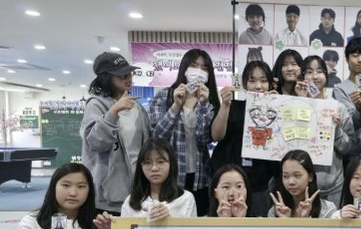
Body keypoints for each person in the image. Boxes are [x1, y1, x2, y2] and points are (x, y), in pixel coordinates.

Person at [149, 49, 219, 216]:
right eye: (194, 65)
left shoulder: (209, 100)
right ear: (184, 68)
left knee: (198, 221)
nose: (199, 71)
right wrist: (176, 106)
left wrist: (203, 105)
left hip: (200, 176)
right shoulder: (164, 96)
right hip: (171, 176)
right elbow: (158, 137)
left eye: (204, 68)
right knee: (171, 221)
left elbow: (204, 138)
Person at [80, 52, 150, 214]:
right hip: (108, 196)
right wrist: (114, 111)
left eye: (129, 73)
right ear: (106, 78)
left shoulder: (137, 107)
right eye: (122, 75)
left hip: (137, 190)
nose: (128, 78)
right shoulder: (96, 105)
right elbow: (95, 142)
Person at [210, 61, 279, 217]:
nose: (258, 86)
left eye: (263, 81)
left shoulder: (275, 111)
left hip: (259, 186)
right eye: (252, 81)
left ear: (270, 84)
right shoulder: (234, 106)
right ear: (244, 84)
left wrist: (277, 107)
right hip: (229, 185)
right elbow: (216, 135)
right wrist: (225, 105)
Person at [295, 55, 355, 206]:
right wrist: (302, 102)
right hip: (300, 186)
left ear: (326, 76)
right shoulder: (294, 106)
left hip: (333, 186)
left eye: (320, 71)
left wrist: (337, 130)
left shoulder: (338, 108)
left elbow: (349, 148)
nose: (314, 76)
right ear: (302, 77)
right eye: (309, 72)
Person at [269, 150, 337, 218]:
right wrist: (284, 221)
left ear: (310, 176)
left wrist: (305, 218)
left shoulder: (328, 210)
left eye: (297, 175)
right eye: (285, 176)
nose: (291, 182)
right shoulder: (276, 211)